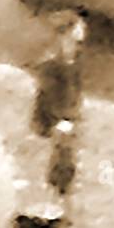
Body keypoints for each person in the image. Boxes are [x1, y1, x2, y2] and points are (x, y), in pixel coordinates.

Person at [31, 10, 86, 140]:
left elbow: (74, 90)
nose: (81, 33)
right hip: (55, 123)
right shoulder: (52, 65)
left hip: (65, 118)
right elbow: (49, 94)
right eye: (77, 29)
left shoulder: (74, 59)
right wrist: (63, 118)